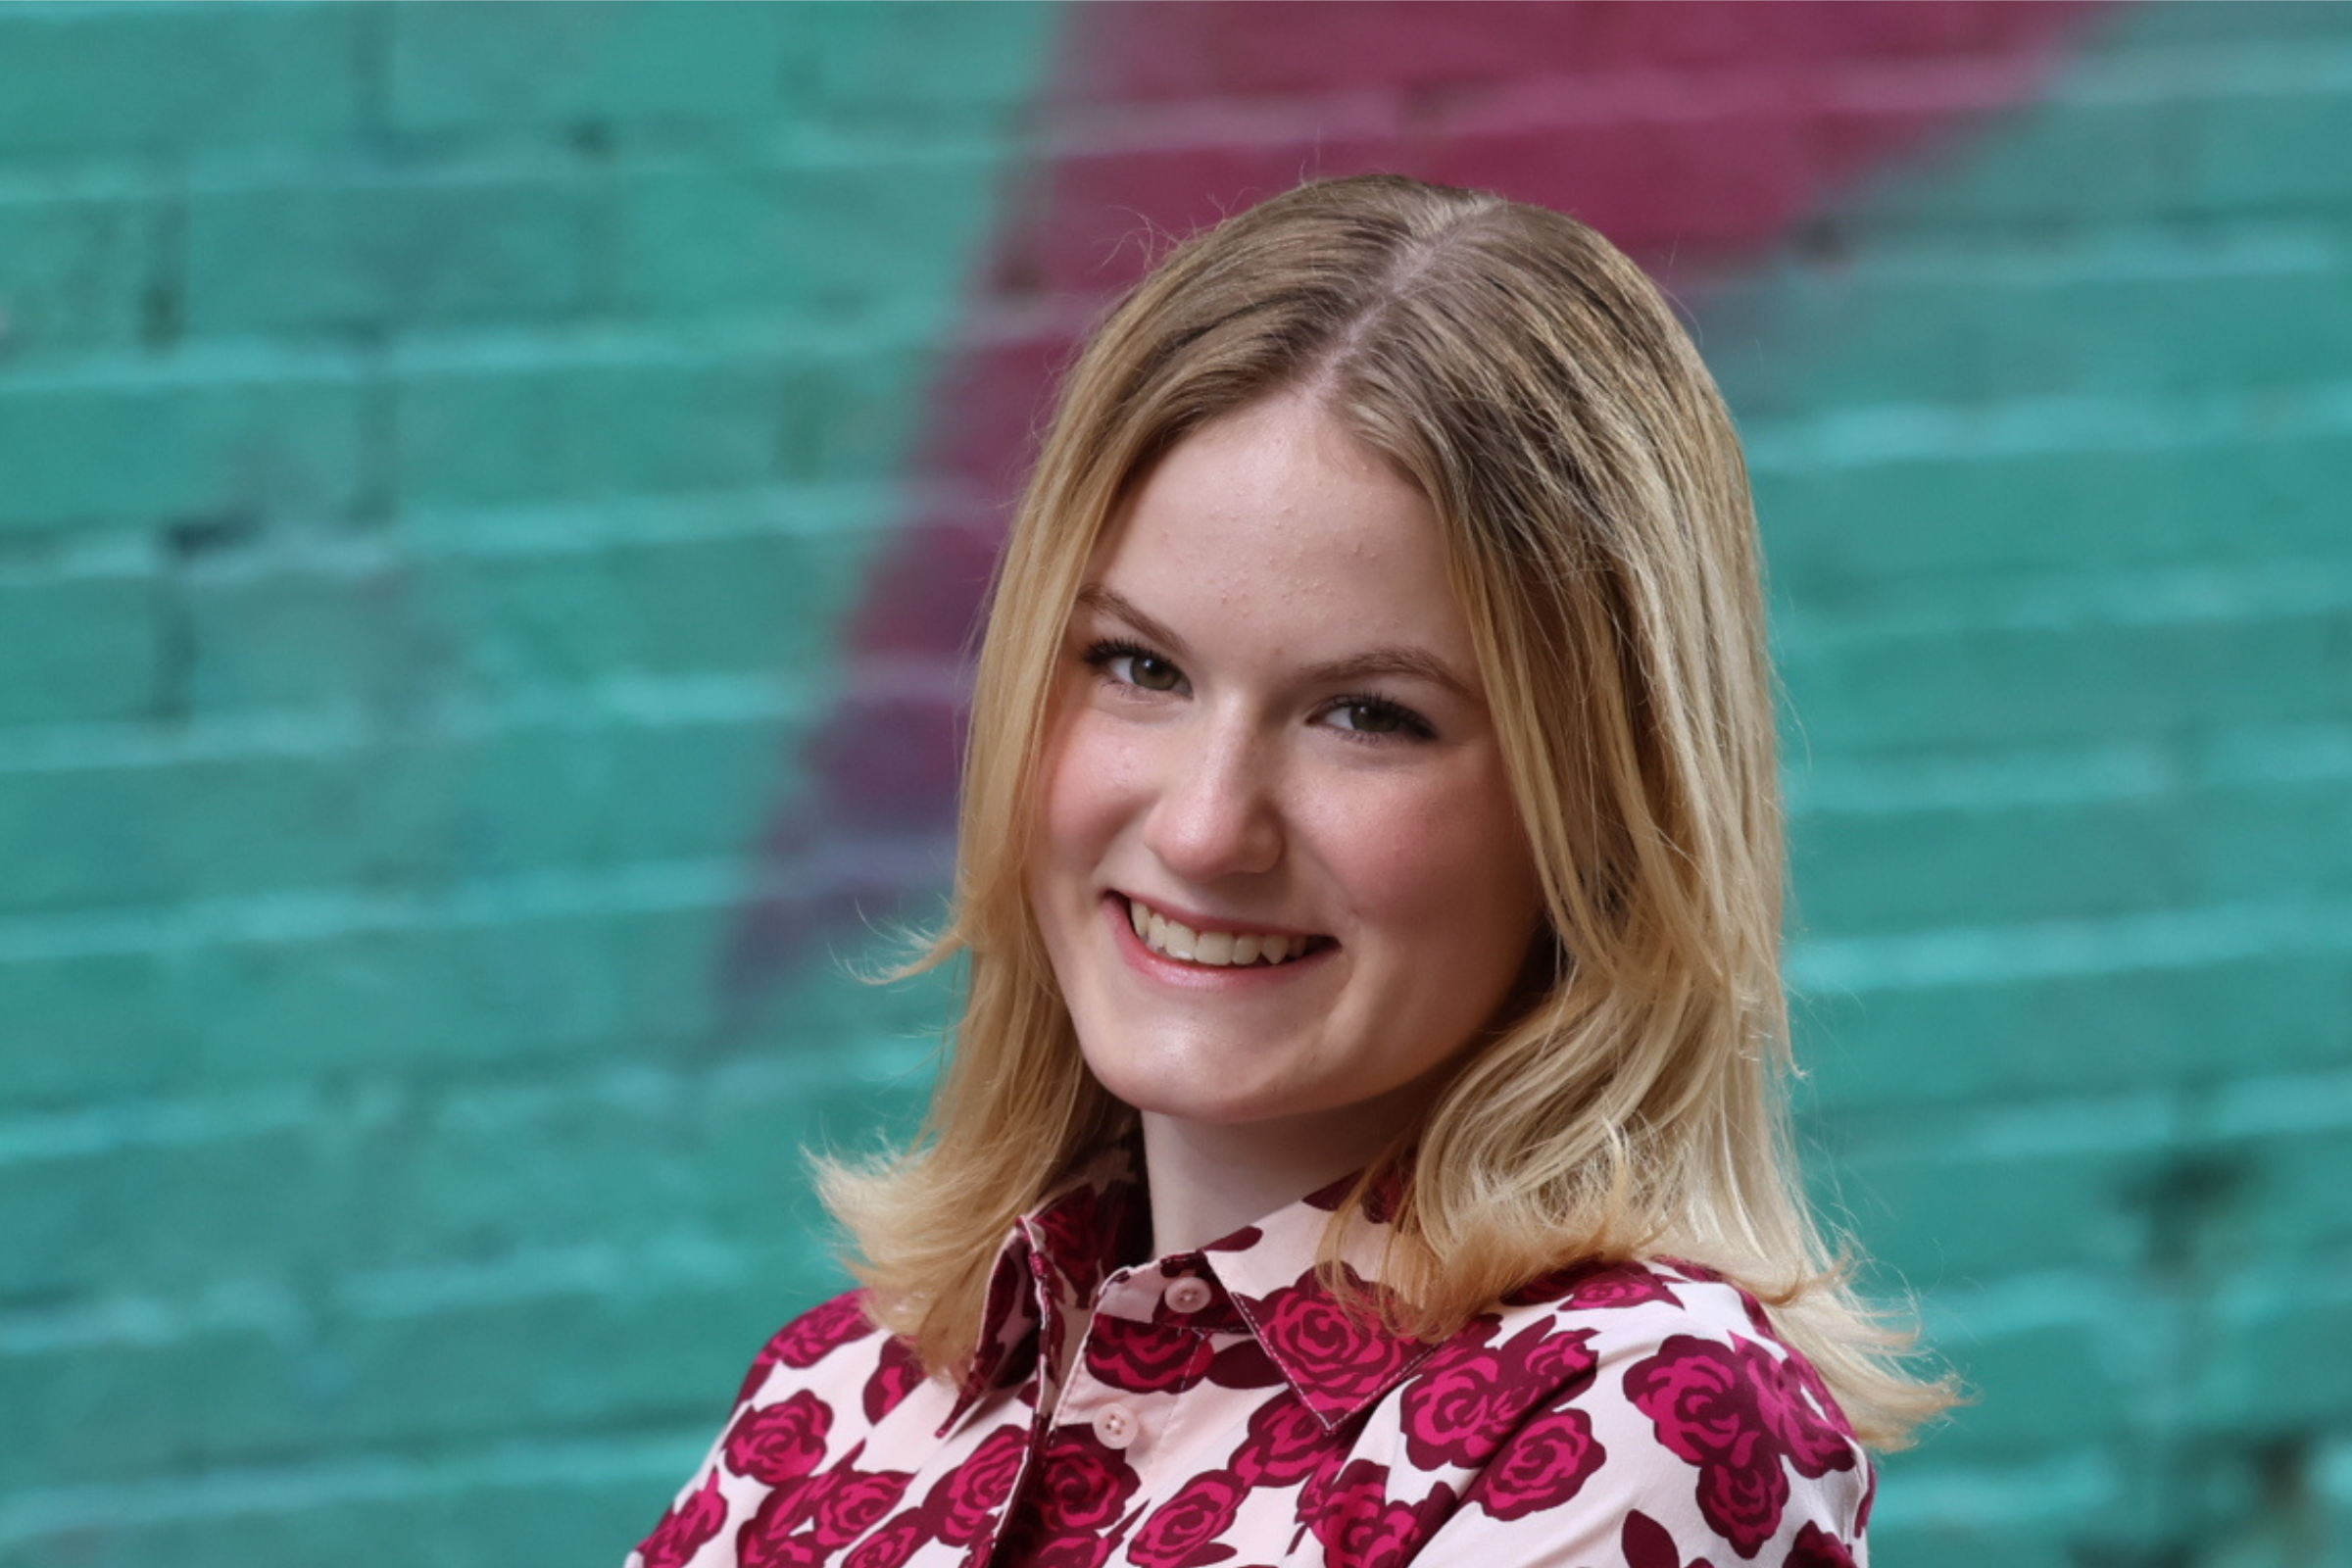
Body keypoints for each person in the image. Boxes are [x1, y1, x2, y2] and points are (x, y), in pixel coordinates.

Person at [630, 173, 1948, 1568]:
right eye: (1139, 668)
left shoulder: (1637, 1423)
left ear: (1600, 811)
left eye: (1367, 716)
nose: (1205, 829)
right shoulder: (840, 1398)